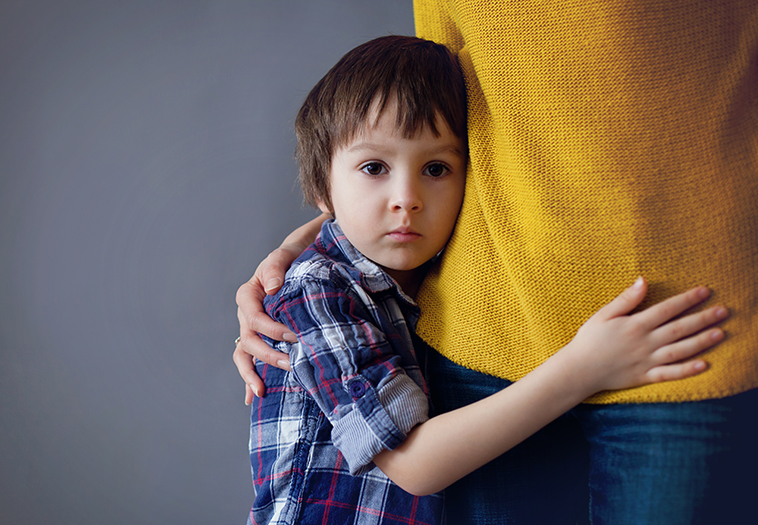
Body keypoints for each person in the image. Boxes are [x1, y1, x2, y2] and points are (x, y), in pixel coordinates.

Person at [242, 35, 729, 525]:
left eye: (436, 168)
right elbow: (413, 463)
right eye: (374, 167)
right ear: (321, 183)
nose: (406, 197)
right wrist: (586, 368)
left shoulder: (423, 274)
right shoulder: (320, 291)